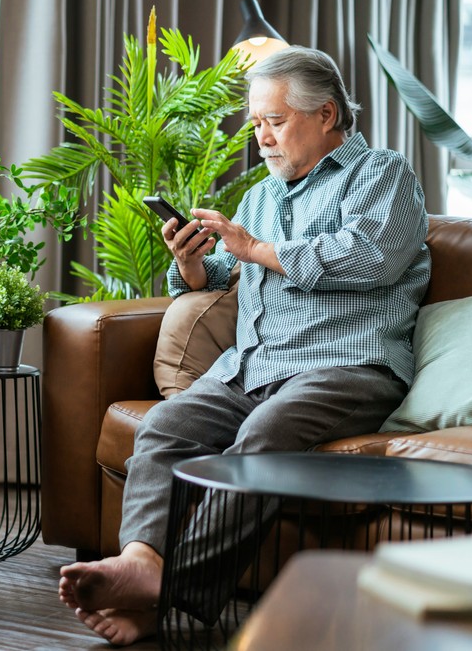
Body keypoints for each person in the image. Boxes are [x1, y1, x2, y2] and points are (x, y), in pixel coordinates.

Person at [57, 46, 431, 645]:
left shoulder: (382, 173)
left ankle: (170, 590)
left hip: (348, 366)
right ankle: (141, 563)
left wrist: (255, 249)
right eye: (255, 123)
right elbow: (230, 274)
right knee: (165, 425)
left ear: (328, 114)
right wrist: (194, 265)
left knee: (266, 434)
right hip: (254, 366)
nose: (261, 137)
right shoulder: (261, 195)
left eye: (274, 122)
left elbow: (370, 257)